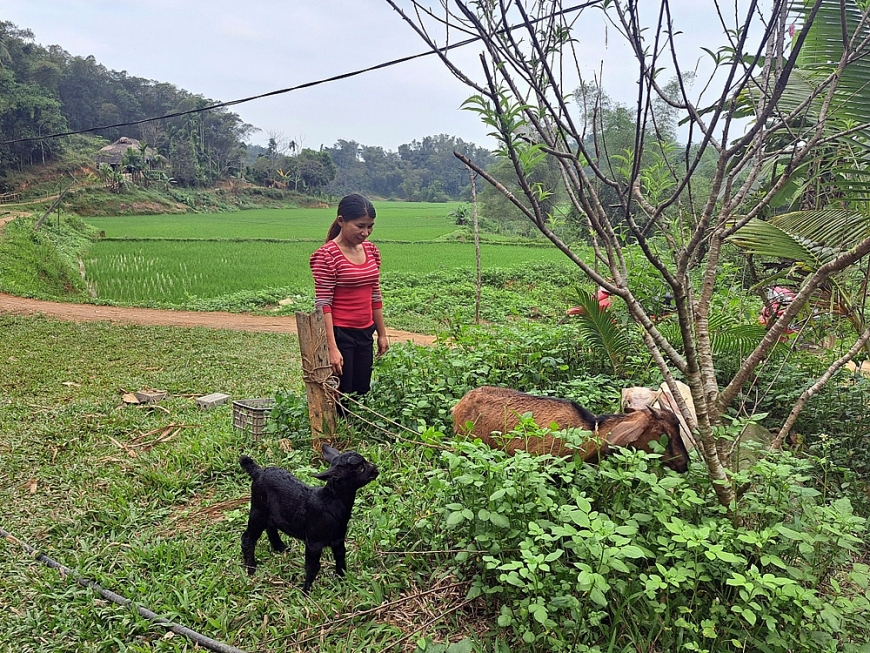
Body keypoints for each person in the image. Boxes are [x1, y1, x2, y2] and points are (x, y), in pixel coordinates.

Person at [309, 194, 389, 410]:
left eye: (370, 227)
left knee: (362, 390)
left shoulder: (371, 251)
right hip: (340, 333)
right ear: (341, 221)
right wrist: (332, 348)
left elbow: (375, 294)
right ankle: (340, 436)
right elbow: (323, 305)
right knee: (341, 393)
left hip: (365, 332)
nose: (365, 233)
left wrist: (381, 334)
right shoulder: (326, 256)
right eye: (360, 226)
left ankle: (356, 433)